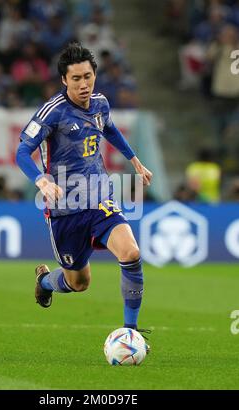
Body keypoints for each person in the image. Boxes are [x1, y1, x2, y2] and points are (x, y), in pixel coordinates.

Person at [16, 43, 152, 338]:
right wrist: (41, 180)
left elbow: (110, 128)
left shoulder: (101, 103)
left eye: (88, 76)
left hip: (100, 198)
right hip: (65, 208)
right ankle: (45, 282)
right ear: (64, 80)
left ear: (94, 75)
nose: (83, 84)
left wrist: (135, 160)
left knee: (130, 253)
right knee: (79, 282)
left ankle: (131, 332)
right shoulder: (52, 112)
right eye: (76, 79)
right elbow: (22, 152)